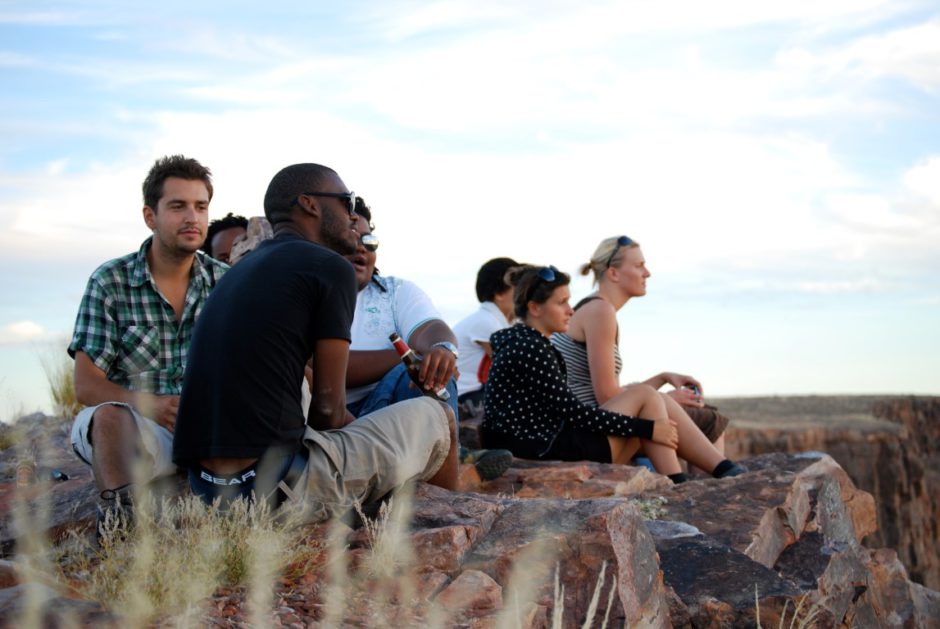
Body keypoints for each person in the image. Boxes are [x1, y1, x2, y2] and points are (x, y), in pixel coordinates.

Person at [173, 164, 458, 517]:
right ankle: (448, 518)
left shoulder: (239, 273)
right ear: (309, 204)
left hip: (206, 489)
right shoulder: (328, 266)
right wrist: (382, 442)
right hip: (272, 489)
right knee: (438, 416)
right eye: (346, 202)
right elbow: (328, 413)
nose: (353, 216)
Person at [68, 155, 226, 527]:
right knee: (108, 417)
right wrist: (149, 404)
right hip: (135, 428)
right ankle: (123, 526)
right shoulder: (111, 281)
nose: (192, 217)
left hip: (206, 431)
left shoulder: (227, 283)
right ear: (149, 216)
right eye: (178, 206)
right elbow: (86, 384)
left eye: (200, 207)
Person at [482, 265, 745, 483]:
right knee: (646, 399)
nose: (571, 310)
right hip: (544, 448)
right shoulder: (530, 347)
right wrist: (649, 428)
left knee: (652, 401)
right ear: (535, 308)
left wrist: (650, 427)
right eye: (562, 302)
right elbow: (574, 413)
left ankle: (701, 476)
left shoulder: (526, 342)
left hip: (543, 443)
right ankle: (694, 479)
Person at [341, 198, 513, 481]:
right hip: (328, 418)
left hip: (386, 410)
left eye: (369, 240)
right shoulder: (306, 293)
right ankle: (454, 465)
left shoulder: (394, 292)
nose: (361, 247)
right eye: (350, 237)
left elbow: (433, 329)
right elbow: (325, 369)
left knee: (431, 373)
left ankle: (442, 498)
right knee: (409, 369)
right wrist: (406, 357)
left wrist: (441, 350)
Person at [552, 236, 730, 460]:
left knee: (702, 416)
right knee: (710, 422)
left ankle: (698, 485)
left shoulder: (593, 307)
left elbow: (614, 394)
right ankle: (708, 487)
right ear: (613, 273)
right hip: (591, 430)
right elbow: (607, 397)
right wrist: (668, 399)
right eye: (639, 266)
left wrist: (662, 378)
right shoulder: (600, 311)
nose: (647, 273)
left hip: (589, 421)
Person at [452, 257, 519, 421]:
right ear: (498, 294)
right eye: (519, 286)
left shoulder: (496, 320)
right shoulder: (487, 322)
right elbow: (515, 372)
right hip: (466, 400)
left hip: (476, 396)